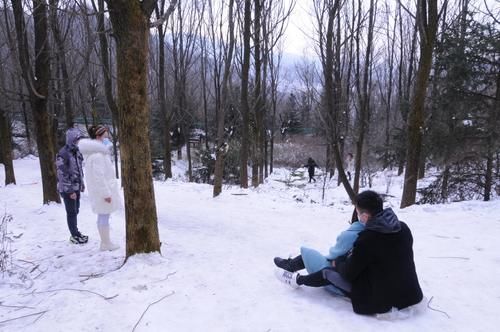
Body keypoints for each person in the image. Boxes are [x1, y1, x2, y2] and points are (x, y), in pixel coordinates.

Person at [326, 190, 423, 315]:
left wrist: (338, 263)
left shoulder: (367, 238)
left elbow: (349, 274)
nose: (357, 217)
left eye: (358, 213)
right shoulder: (403, 228)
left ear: (365, 216)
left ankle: (298, 279)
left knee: (327, 273)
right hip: (411, 295)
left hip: (382, 303)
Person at [273, 217, 365, 296]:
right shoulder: (373, 233)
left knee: (309, 254)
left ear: (364, 216)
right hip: (355, 282)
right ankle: (292, 268)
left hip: (340, 283)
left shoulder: (355, 233)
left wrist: (336, 262)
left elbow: (334, 255)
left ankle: (291, 268)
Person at [78, 125, 121, 251]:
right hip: (102, 192)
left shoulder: (96, 153)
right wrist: (106, 194)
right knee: (103, 216)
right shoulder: (97, 155)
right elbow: (99, 177)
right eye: (105, 135)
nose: (107, 137)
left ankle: (105, 242)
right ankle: (105, 243)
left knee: (103, 215)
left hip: (100, 191)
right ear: (98, 136)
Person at [56, 127, 88, 244]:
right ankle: (74, 235)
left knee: (76, 210)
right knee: (71, 212)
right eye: (77, 139)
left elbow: (79, 170)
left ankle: (76, 232)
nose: (79, 141)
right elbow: (62, 174)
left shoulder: (76, 152)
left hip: (76, 187)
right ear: (71, 139)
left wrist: (81, 184)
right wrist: (70, 191)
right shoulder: (63, 153)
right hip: (68, 189)